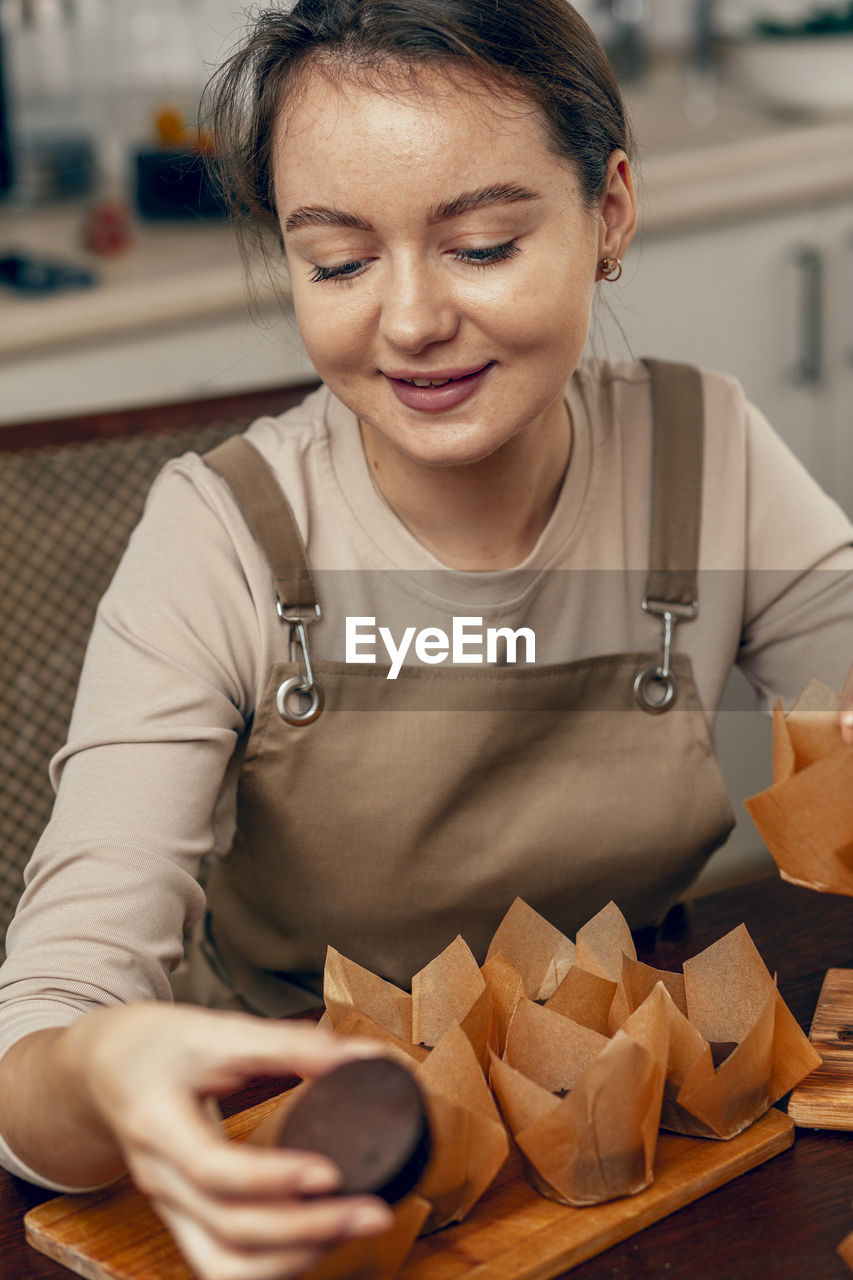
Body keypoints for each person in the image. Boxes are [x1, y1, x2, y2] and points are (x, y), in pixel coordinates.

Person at [1, 1, 851, 1277]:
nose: (405, 321)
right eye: (337, 264)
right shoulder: (220, 533)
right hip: (312, 1168)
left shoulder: (706, 451)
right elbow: (44, 1041)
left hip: (629, 1139)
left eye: (482, 243)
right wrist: (103, 1069)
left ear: (608, 211)